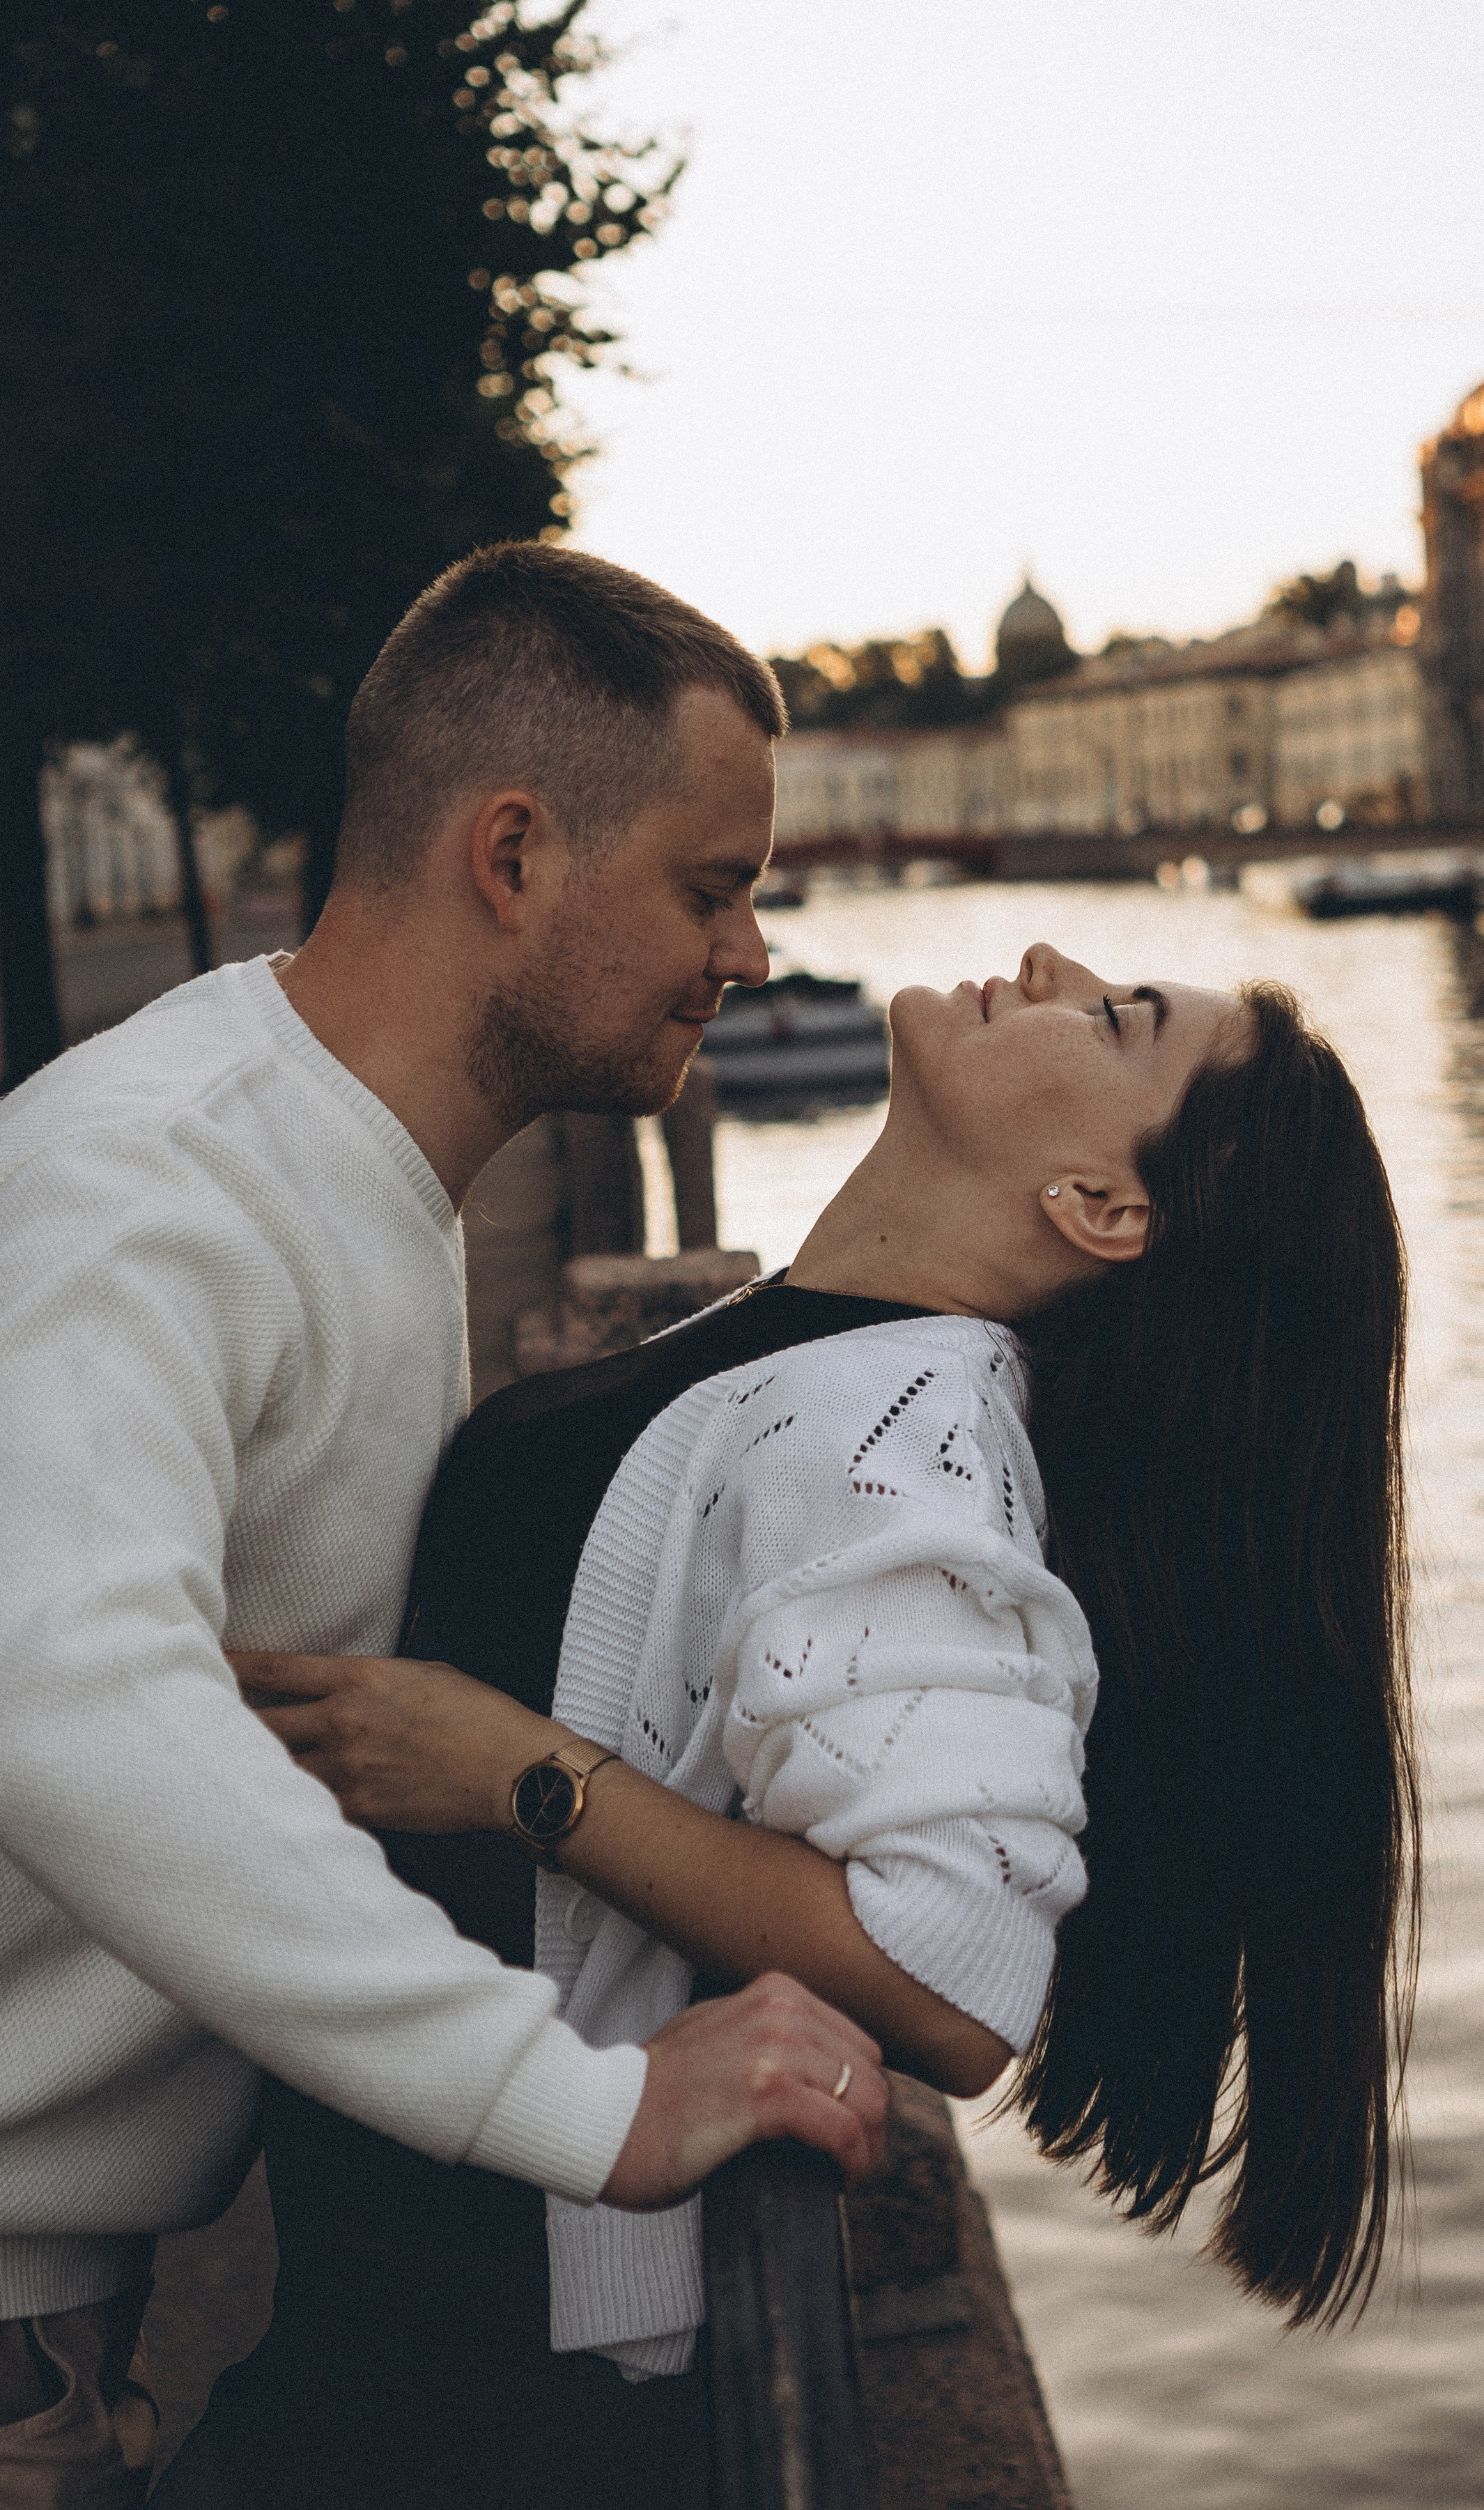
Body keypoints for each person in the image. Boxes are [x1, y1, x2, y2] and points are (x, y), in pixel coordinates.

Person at [196, 939, 1421, 2507]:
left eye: (1112, 1018)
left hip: (499, 2384)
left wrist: (515, 1772)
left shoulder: (889, 1442)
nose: (1047, 962)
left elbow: (949, 1972)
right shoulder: (835, 1362)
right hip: (402, 2300)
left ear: (1100, 1209)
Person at [0, 545, 891, 2510]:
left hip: (89, 2290)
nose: (747, 952)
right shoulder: (148, 1190)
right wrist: (579, 2107)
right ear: (514, 858)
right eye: (710, 885)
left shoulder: (355, 1171)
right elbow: (66, 1698)